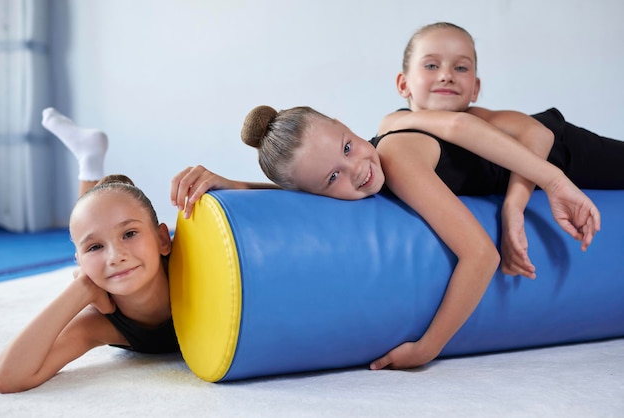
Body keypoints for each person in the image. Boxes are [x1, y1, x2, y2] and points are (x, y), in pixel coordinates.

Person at [171, 103, 600, 372]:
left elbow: (481, 256)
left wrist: (428, 348)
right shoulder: (358, 171)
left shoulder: (394, 157)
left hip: (563, 150)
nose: (356, 168)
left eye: (347, 147)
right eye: (333, 177)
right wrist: (235, 187)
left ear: (345, 124)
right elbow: (298, 197)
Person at [391, 21, 624, 278]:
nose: (447, 75)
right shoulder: (396, 128)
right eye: (431, 65)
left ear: (475, 88)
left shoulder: (473, 116)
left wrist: (513, 207)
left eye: (461, 67)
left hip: (565, 150)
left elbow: (538, 133)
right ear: (403, 84)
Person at [0, 109, 179, 393]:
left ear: (162, 240)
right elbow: (6, 377)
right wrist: (81, 288)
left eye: (130, 234)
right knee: (92, 222)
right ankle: (89, 160)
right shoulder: (100, 325)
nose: (115, 256)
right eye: (94, 249)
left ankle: (89, 161)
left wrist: (235, 186)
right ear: (79, 265)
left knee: (96, 221)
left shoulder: (193, 261)